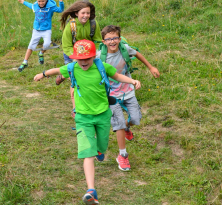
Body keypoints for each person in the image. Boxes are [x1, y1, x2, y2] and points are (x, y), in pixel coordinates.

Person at [34, 39, 141, 204]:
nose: (83, 62)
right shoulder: (72, 68)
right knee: (88, 153)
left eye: (87, 58)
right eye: (80, 59)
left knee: (102, 146)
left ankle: (99, 150)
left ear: (93, 56)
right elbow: (57, 70)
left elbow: (118, 76)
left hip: (103, 114)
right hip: (83, 117)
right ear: (75, 58)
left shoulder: (101, 67)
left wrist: (132, 81)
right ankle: (91, 190)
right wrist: (42, 74)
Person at [97, 25, 160, 172]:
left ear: (119, 39)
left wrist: (151, 67)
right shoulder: (99, 56)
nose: (112, 41)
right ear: (103, 41)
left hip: (128, 91)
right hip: (111, 94)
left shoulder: (125, 49)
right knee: (117, 123)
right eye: (109, 39)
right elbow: (83, 64)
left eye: (115, 38)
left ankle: (127, 127)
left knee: (136, 119)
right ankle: (122, 155)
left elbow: (137, 53)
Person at [16, 0, 64, 72]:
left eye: (42, 1)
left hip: (46, 30)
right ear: (37, 0)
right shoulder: (35, 6)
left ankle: (41, 53)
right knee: (31, 46)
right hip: (36, 30)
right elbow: (30, 5)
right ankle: (25, 62)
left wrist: (61, 2)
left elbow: (60, 10)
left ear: (46, 0)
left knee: (47, 44)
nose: (41, 3)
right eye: (39, 1)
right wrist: (23, 2)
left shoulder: (51, 7)